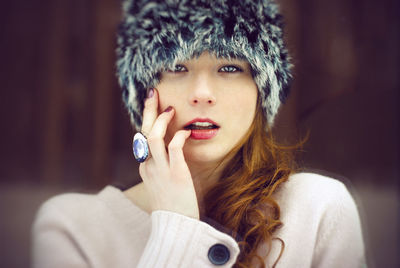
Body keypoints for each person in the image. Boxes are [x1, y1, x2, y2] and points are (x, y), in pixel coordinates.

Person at [32, 0, 366, 267]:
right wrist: (175, 226)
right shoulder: (72, 227)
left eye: (230, 67)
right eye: (177, 67)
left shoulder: (318, 208)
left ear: (261, 92)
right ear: (142, 93)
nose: (202, 93)